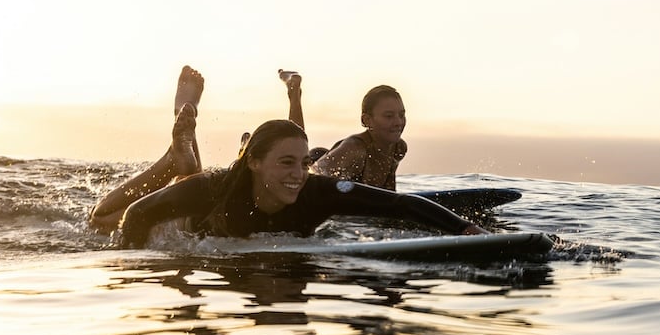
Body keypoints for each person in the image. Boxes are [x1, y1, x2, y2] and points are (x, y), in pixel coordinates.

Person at [115, 118, 486, 248]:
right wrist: (135, 259)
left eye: (305, 163)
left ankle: (180, 161)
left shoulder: (317, 193)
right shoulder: (213, 188)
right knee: (102, 218)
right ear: (256, 162)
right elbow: (135, 214)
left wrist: (466, 229)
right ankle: (175, 162)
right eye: (287, 163)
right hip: (181, 227)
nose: (298, 173)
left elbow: (399, 206)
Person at [89, 65, 205, 235]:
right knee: (197, 197)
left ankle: (172, 160)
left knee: (98, 219)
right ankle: (177, 152)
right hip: (202, 213)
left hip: (192, 222)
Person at [310, 84, 408, 190]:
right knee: (300, 145)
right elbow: (311, 178)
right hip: (316, 160)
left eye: (401, 115)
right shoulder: (355, 150)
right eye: (389, 116)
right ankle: (295, 94)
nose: (398, 122)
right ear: (367, 120)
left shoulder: (398, 148)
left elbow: (390, 193)